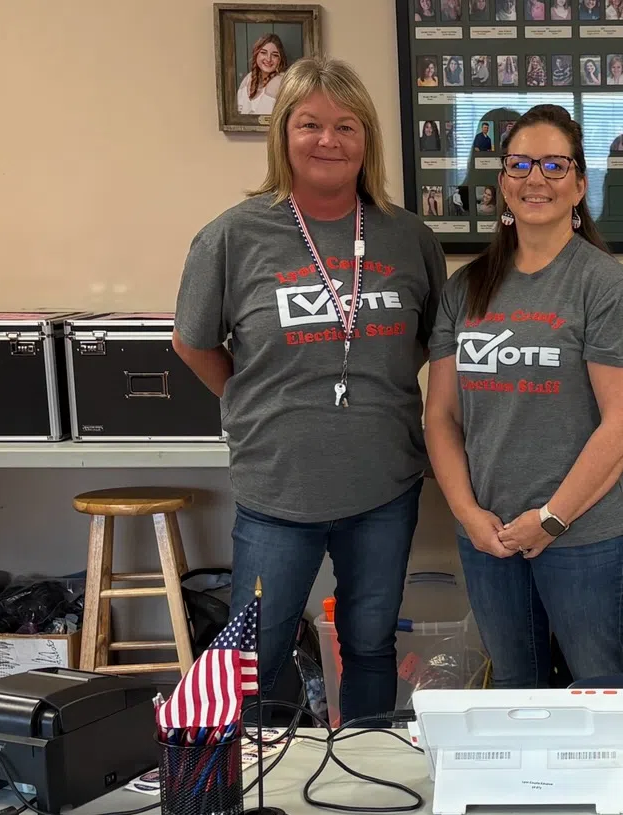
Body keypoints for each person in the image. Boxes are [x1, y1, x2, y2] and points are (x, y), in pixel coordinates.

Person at [174, 58, 446, 723]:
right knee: (259, 655)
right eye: (311, 124)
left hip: (383, 482)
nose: (330, 140)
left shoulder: (408, 236)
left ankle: (367, 781)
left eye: (347, 125)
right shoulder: (232, 237)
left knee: (371, 644)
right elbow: (193, 341)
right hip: (278, 486)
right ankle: (268, 796)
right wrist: (250, 402)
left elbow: (430, 339)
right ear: (283, 136)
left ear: (368, 139)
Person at [426, 105, 623, 686]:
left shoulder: (603, 285)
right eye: (520, 164)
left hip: (586, 537)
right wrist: (468, 515)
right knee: (513, 696)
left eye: (555, 165)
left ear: (579, 184)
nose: (535, 179)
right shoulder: (466, 288)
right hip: (490, 536)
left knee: (601, 691)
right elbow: (442, 418)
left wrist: (550, 520)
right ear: (501, 181)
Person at [235, 34, 286, 116]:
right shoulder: (248, 78)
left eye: (275, 55)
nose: (268, 59)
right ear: (256, 54)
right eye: (263, 53)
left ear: (280, 59)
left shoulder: (279, 81)